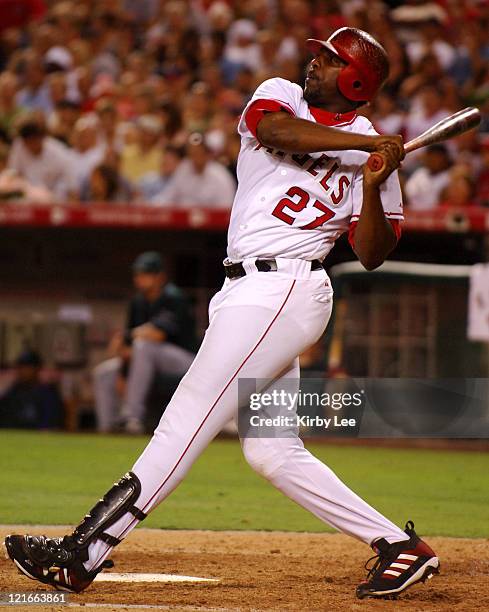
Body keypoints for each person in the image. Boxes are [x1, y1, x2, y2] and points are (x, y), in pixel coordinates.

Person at [5, 28, 439, 601]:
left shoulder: (373, 154)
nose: (314, 61)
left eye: (330, 60)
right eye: (319, 53)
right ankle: (399, 548)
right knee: (272, 450)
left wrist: (376, 182)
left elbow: (372, 252)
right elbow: (270, 129)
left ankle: (82, 554)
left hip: (286, 287)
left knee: (185, 419)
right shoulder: (282, 94)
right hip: (244, 290)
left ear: (356, 80)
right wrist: (366, 148)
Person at [92, 251, 196, 434]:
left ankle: (132, 417)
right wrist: (124, 372)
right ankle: (107, 429)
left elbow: (158, 335)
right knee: (104, 373)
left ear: (160, 277)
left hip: (185, 361)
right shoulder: (138, 302)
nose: (140, 278)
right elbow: (127, 348)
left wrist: (126, 337)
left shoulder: (174, 297)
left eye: (146, 274)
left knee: (143, 346)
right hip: (146, 360)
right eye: (138, 274)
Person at [152, 133, 236, 208]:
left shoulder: (220, 175)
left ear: (207, 154)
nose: (195, 157)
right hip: (182, 222)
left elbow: (226, 207)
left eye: (199, 152)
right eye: (192, 152)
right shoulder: (183, 168)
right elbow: (168, 197)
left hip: (214, 224)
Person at [0, 349, 64, 429]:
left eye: (28, 367)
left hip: (36, 438)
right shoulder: (12, 391)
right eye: (21, 367)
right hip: (10, 437)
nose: (23, 371)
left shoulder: (47, 394)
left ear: (37, 369)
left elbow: (51, 425)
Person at [404, 144, 452, 210]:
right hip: (416, 213)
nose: (434, 161)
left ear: (445, 159)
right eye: (431, 157)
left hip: (438, 215)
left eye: (438, 158)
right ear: (426, 158)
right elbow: (409, 193)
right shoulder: (420, 174)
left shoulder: (449, 177)